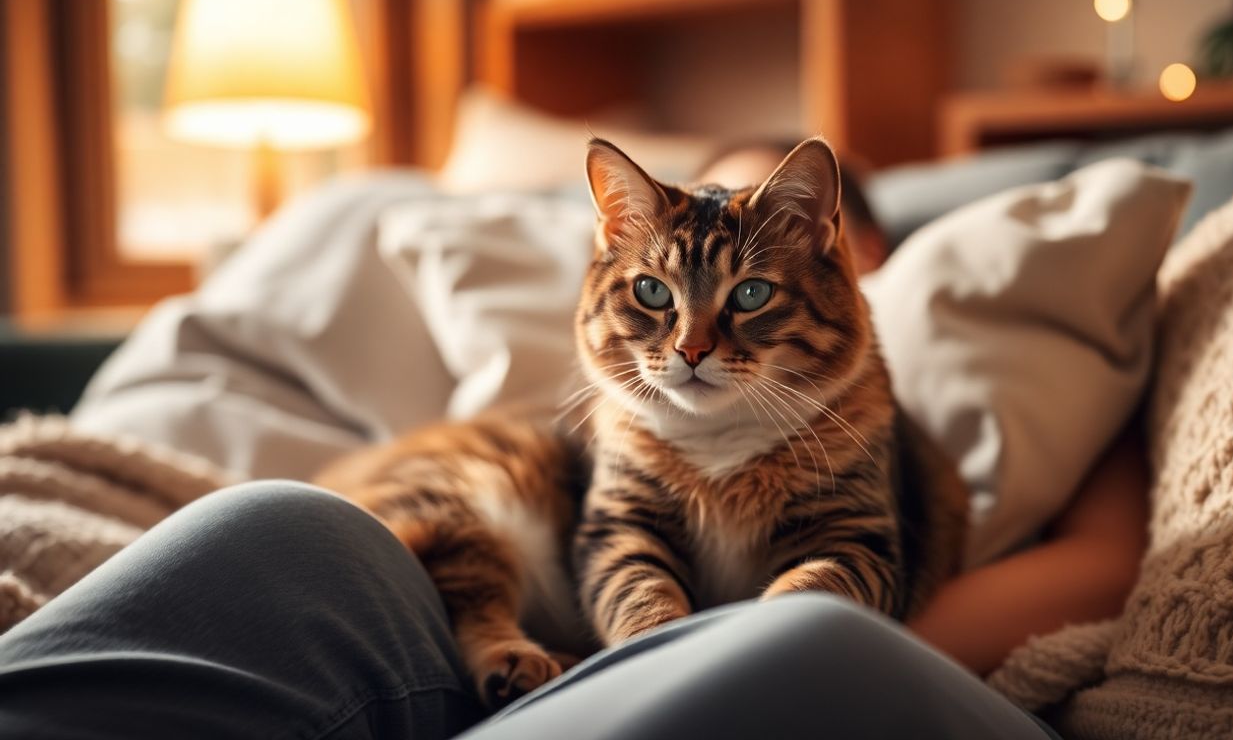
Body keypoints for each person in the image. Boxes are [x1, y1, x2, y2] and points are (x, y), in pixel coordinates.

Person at [0, 145, 1149, 739]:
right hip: (501, 631)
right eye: (661, 282)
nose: (693, 341)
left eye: (748, 289)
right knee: (276, 526)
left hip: (758, 661)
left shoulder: (928, 406)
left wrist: (760, 630)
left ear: (842, 251)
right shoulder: (591, 419)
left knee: (799, 639)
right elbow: (601, 529)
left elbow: (1102, 565)